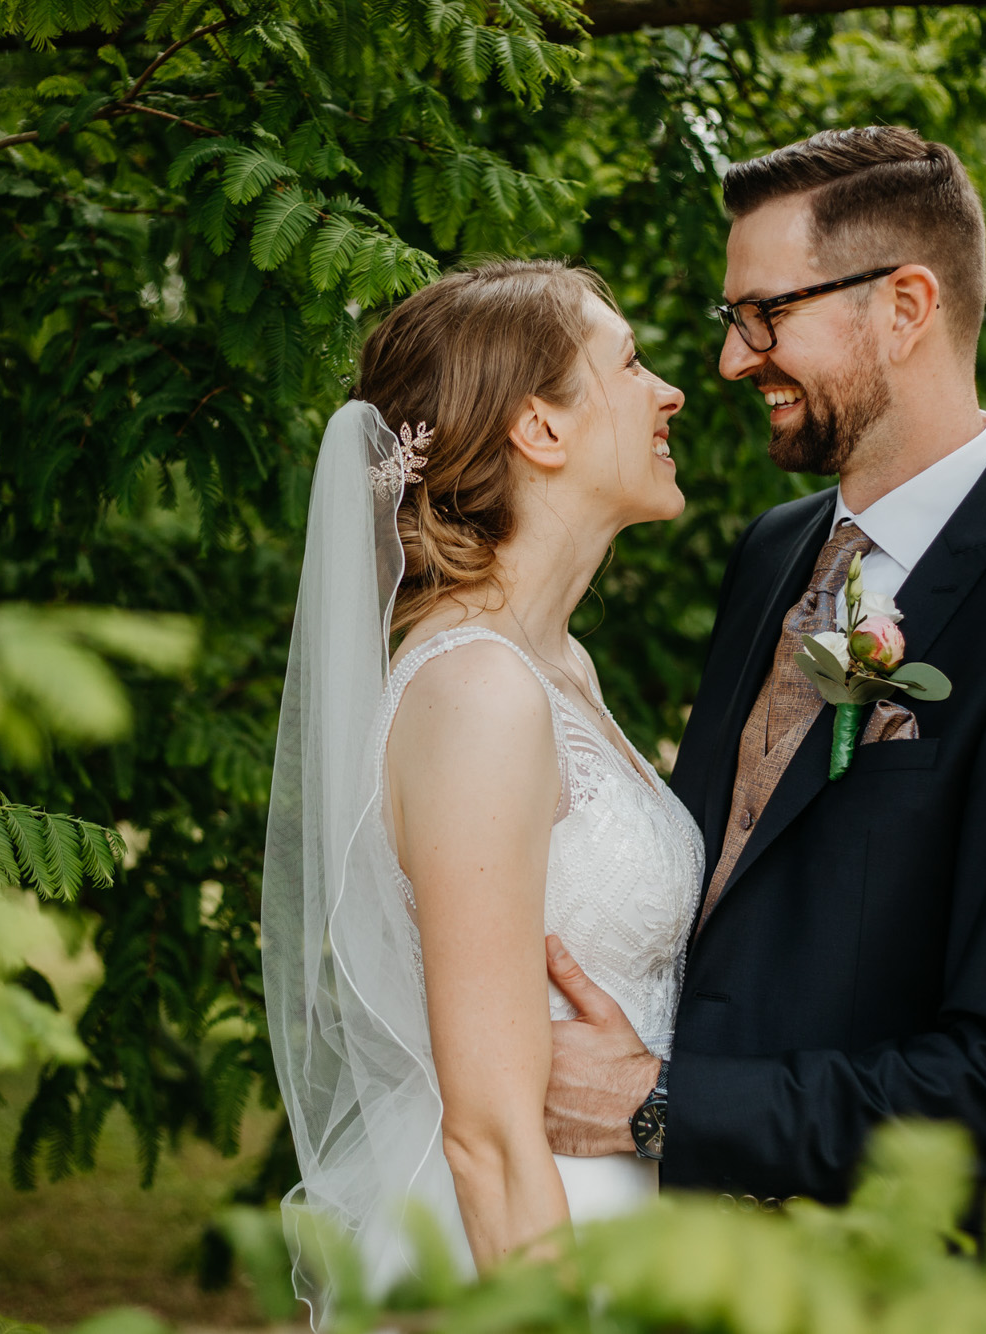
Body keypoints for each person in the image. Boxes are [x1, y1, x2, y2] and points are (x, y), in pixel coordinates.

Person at [540, 127, 986, 1206]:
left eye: (766, 315)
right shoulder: (772, 551)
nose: (731, 360)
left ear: (905, 306)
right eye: (729, 317)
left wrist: (664, 1105)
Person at [261, 260, 702, 1320]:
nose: (668, 391)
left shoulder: (561, 669)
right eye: (630, 364)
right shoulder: (476, 692)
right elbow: (489, 1132)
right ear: (538, 431)